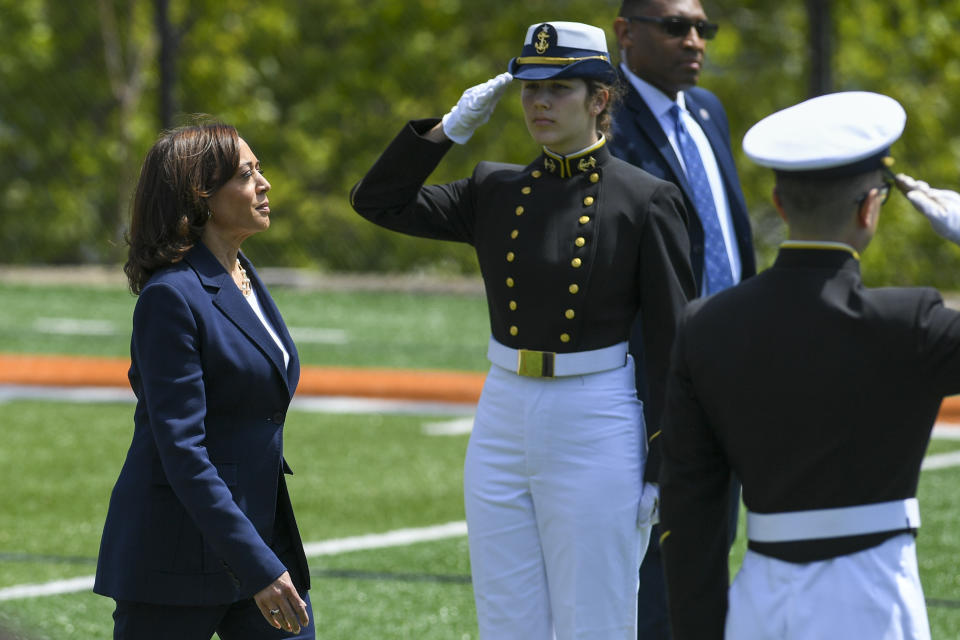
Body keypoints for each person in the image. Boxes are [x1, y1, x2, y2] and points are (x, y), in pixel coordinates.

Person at [350, 21, 696, 639]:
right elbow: (378, 201)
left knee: (595, 619)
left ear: (600, 98)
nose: (538, 101)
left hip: (597, 417)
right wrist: (449, 130)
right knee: (507, 620)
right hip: (503, 410)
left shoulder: (644, 199)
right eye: (530, 87)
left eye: (559, 88)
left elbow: (675, 343)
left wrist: (665, 459)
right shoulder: (497, 188)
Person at [659, 91, 953, 639]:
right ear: (870, 208)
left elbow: (690, 510)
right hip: (877, 601)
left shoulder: (705, 326)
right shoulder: (909, 321)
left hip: (761, 605)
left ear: (780, 202)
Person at [93, 122, 313, 639]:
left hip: (258, 537)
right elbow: (182, 450)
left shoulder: (243, 273)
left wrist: (260, 555)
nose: (265, 184)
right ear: (202, 197)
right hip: (175, 556)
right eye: (247, 174)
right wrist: (255, 562)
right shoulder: (170, 297)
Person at [609, 1, 755, 635]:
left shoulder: (708, 112)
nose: (693, 41)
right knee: (654, 567)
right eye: (675, 27)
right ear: (626, 33)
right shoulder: (602, 122)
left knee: (713, 547)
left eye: (702, 29)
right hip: (653, 380)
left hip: (735, 370)